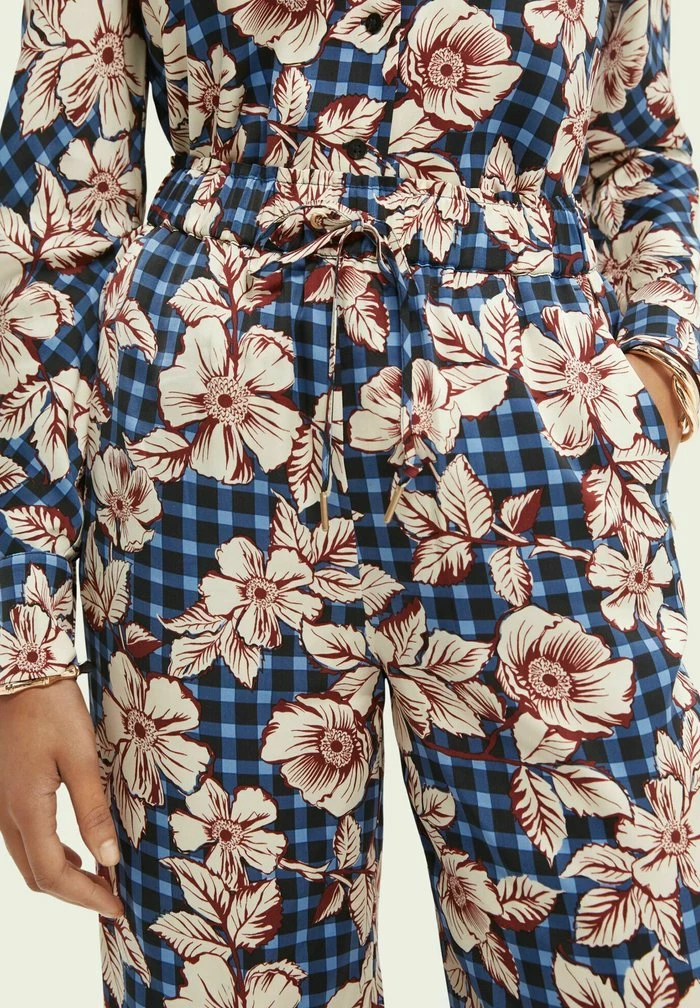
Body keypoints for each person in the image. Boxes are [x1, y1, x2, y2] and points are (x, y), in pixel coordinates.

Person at [1, 0, 699, 1005]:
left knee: (615, 961)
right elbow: (54, 216)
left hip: (541, 448)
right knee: (230, 978)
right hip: (205, 468)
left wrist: (659, 367)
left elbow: (633, 146)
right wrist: (21, 648)